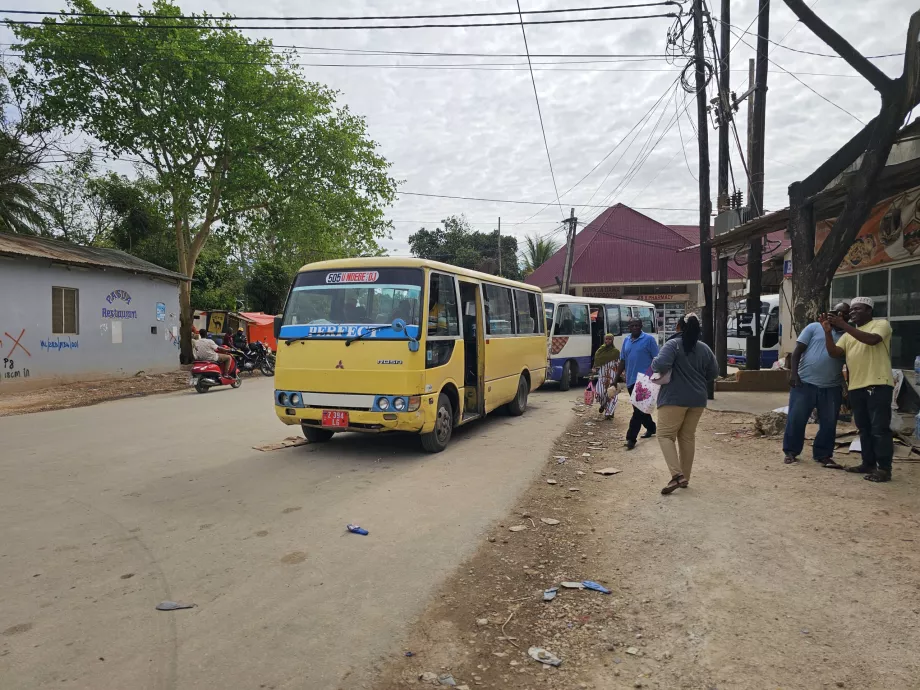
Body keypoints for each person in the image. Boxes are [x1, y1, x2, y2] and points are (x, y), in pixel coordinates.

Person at [820, 296, 894, 482]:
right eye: (851, 310)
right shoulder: (848, 335)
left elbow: (872, 340)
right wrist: (828, 332)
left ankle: (884, 469)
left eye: (858, 309)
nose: (852, 313)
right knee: (864, 429)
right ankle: (868, 463)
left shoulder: (880, 325)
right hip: (856, 387)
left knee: (879, 429)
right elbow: (834, 353)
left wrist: (843, 324)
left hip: (878, 384)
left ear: (869, 311)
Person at [650, 313, 718, 494]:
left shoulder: (673, 345)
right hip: (697, 400)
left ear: (679, 327)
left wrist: (655, 360)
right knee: (687, 437)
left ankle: (677, 475)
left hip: (674, 398)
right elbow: (714, 373)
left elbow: (659, 365)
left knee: (665, 435)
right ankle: (685, 477)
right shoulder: (704, 348)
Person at [782, 302, 851, 468]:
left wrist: (848, 388)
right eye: (835, 312)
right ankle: (791, 452)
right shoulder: (813, 327)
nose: (838, 316)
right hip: (804, 383)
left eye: (844, 314)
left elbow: (850, 363)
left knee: (829, 422)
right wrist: (794, 374)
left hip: (831, 386)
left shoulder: (849, 335)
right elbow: (798, 350)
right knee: (796, 419)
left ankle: (823, 454)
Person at [616, 318, 660, 449]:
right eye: (632, 325)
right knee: (640, 409)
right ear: (629, 327)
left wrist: (651, 375)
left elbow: (657, 359)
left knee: (638, 411)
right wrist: (615, 378)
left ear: (641, 326)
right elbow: (623, 361)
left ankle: (631, 438)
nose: (635, 327)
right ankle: (651, 427)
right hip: (630, 380)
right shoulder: (626, 341)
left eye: (637, 325)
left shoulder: (649, 340)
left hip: (644, 381)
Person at [593, 333, 620, 420]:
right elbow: (597, 362)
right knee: (600, 394)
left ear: (612, 341)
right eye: (606, 339)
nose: (608, 341)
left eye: (610, 339)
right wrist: (594, 370)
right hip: (602, 376)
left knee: (611, 394)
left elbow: (618, 364)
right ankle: (604, 405)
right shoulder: (600, 351)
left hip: (612, 376)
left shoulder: (616, 352)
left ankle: (609, 412)